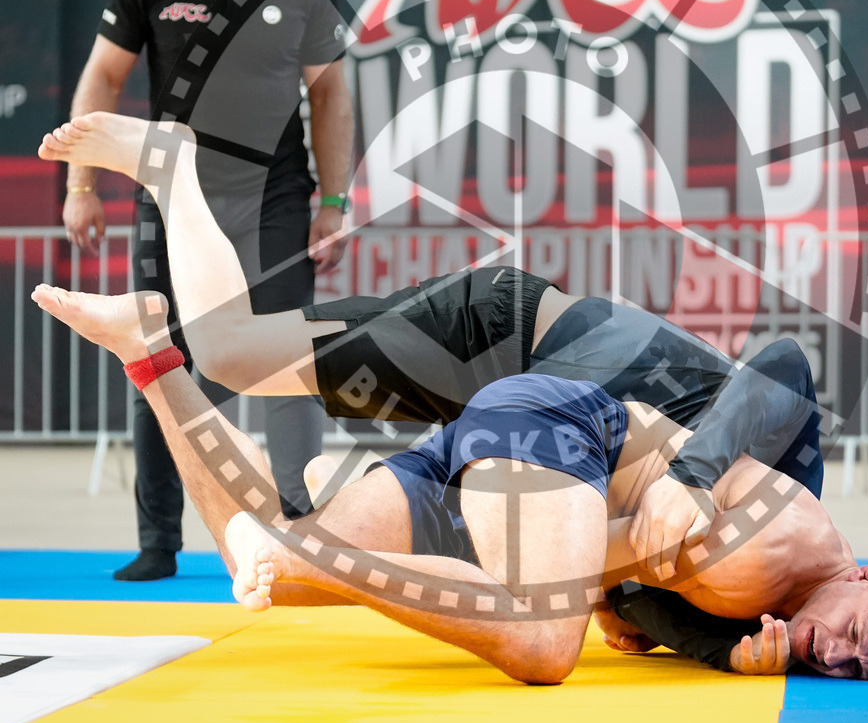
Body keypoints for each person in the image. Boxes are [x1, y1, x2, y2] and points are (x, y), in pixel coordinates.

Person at [41, 111, 824, 586]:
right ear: (860, 571)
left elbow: (624, 587)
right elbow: (787, 362)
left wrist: (687, 635)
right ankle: (173, 169)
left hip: (517, 408)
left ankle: (182, 361)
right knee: (227, 349)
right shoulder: (784, 489)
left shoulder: (740, 570)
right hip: (494, 340)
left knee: (335, 505)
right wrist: (690, 478)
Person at [31, 282, 868, 685]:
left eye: (856, 669)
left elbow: (630, 589)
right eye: (854, 640)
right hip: (550, 420)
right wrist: (691, 502)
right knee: (541, 639)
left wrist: (696, 639)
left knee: (264, 571)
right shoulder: (775, 546)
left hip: (521, 453)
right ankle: (331, 531)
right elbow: (595, 581)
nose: (834, 657)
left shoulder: (779, 597)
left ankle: (151, 355)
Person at [60, 0, 353, 580]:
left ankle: (301, 523)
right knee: (161, 358)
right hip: (173, 192)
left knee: (288, 355)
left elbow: (330, 92)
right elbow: (102, 77)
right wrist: (82, 185)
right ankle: (159, 542)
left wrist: (336, 200)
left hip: (277, 196)